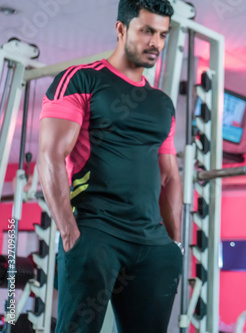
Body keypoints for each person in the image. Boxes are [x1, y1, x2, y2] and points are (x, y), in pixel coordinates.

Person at [37, 1, 183, 332]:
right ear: (121, 29)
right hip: (96, 232)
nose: (155, 43)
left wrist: (173, 243)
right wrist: (69, 232)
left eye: (162, 34)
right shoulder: (81, 80)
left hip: (151, 242)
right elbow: (50, 156)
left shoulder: (162, 104)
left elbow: (170, 175)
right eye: (147, 30)